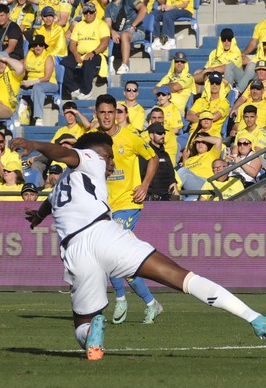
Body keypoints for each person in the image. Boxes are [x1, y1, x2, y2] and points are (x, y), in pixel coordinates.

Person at [12, 131, 266, 361]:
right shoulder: (90, 158)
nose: (111, 163)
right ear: (96, 153)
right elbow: (65, 153)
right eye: (109, 156)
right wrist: (35, 145)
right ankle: (255, 319)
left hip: (75, 250)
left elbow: (50, 202)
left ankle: (91, 333)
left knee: (81, 324)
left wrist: (38, 215)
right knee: (183, 277)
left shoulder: (63, 182)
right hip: (106, 235)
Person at [92, 94, 162, 325]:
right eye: (102, 112)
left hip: (128, 204)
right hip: (104, 206)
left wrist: (144, 185)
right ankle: (151, 303)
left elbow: (152, 157)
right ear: (96, 113)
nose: (106, 116)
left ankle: (121, 299)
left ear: (117, 114)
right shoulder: (93, 141)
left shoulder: (130, 137)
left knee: (112, 252)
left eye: (111, 112)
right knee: (118, 259)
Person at [61, 2, 109, 101]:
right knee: (63, 63)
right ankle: (74, 89)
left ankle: (87, 91)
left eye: (90, 12)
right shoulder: (79, 25)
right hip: (80, 53)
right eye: (85, 12)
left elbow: (104, 43)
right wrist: (75, 54)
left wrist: (93, 53)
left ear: (95, 12)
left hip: (97, 54)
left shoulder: (101, 24)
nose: (88, 14)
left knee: (88, 61)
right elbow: (72, 43)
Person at [20, 34, 58, 127]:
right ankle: (18, 114)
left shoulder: (48, 57)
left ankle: (38, 117)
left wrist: (32, 82)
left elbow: (47, 77)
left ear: (44, 46)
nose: (37, 47)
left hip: (49, 83)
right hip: (30, 82)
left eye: (40, 45)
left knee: (37, 88)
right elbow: (23, 71)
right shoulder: (29, 54)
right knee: (15, 88)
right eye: (35, 45)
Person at [104, 0, 147, 74]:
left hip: (136, 30)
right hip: (118, 31)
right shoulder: (108, 7)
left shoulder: (130, 1)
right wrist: (112, 32)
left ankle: (125, 65)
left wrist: (134, 25)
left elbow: (144, 9)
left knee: (124, 35)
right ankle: (108, 64)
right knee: (104, 36)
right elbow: (108, 25)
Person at [140, 122, 180, 201]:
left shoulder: (165, 154)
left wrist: (176, 198)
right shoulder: (145, 153)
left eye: (163, 133)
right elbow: (141, 176)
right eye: (159, 133)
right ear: (151, 135)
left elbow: (171, 179)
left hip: (165, 199)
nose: (163, 136)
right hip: (149, 199)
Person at [178, 132, 223, 200]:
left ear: (208, 144)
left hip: (205, 183)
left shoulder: (211, 154)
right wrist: (184, 159)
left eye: (203, 142)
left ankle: (173, 194)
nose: (200, 144)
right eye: (198, 142)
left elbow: (218, 141)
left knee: (183, 171)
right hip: (193, 188)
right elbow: (182, 178)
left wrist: (201, 138)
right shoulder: (189, 160)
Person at [186, 71, 230, 137]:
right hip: (192, 133)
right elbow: (189, 116)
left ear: (221, 86)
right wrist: (206, 119)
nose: (214, 85)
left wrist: (199, 114)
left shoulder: (224, 102)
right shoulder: (200, 100)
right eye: (212, 83)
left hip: (210, 135)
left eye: (217, 83)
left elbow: (214, 117)